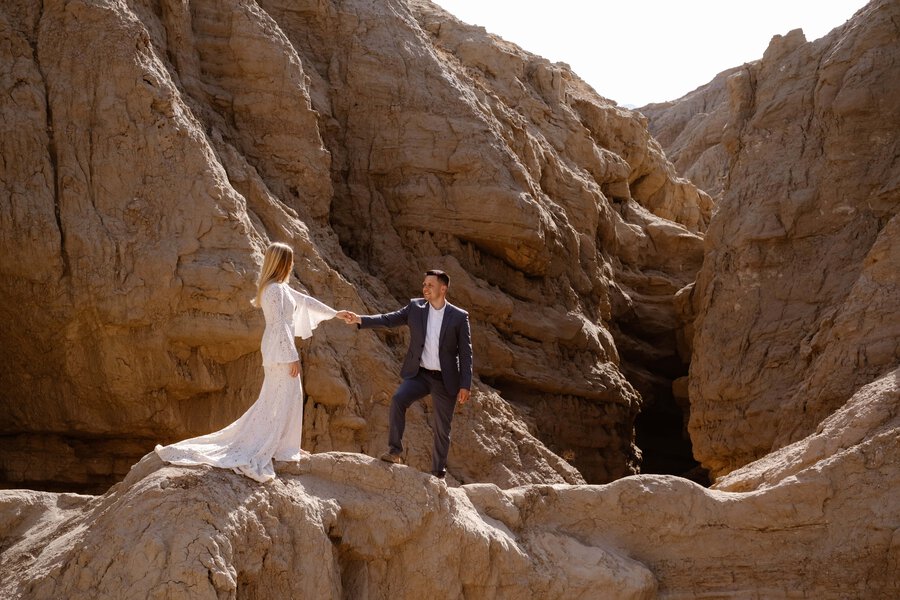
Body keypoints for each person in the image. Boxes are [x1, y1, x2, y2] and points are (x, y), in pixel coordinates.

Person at [156, 242, 352, 483]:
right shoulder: (274, 290)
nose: (292, 264)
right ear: (281, 263)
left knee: (285, 398)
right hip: (279, 352)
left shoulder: (280, 288)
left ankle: (285, 447)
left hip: (278, 350)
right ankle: (274, 448)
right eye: (289, 260)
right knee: (280, 398)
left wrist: (336, 313)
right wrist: (292, 357)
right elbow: (279, 324)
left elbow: (306, 302)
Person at [343, 270, 472, 479]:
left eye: (430, 285)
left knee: (442, 428)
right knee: (398, 399)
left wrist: (465, 384)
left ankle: (438, 474)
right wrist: (360, 319)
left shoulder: (458, 317)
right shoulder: (416, 307)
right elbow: (388, 320)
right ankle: (394, 452)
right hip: (419, 374)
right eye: (424, 284)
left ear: (443, 288)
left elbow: (466, 353)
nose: (425, 288)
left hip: (445, 379)